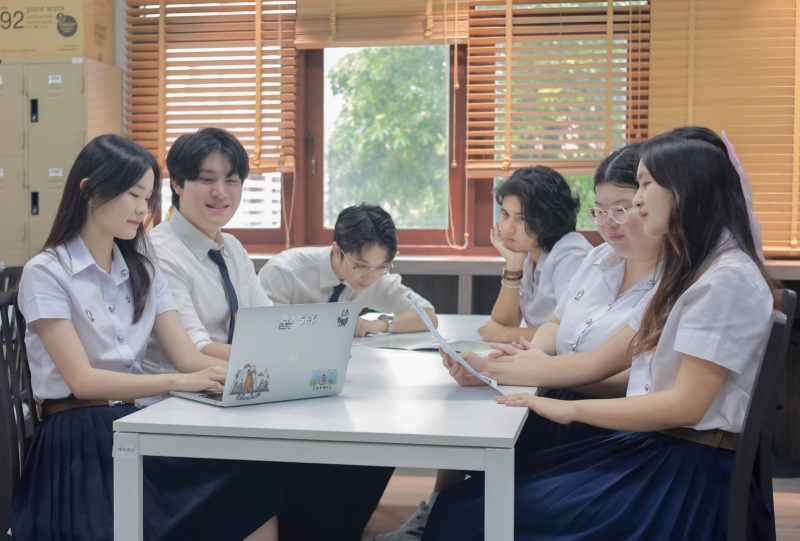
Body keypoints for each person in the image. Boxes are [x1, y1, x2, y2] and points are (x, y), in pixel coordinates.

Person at [424, 133, 777, 539]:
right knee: (467, 502)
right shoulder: (691, 270)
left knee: (465, 513)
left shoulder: (724, 278)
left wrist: (571, 410)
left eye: (645, 185)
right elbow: (597, 361)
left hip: (685, 470)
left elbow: (686, 406)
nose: (638, 202)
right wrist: (489, 369)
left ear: (686, 188)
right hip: (656, 447)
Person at [376, 145, 657, 541]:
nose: (609, 223)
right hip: (565, 392)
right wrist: (518, 359)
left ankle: (440, 512)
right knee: (471, 417)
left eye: (623, 208)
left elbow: (619, 373)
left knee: (467, 482)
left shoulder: (583, 256)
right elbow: (552, 326)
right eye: (601, 210)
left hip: (598, 416)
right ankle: (437, 510)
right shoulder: (599, 259)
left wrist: (520, 365)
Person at [9, 134, 282, 541]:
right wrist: (178, 381)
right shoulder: (47, 271)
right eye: (133, 194)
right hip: (78, 436)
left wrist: (264, 372)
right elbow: (82, 381)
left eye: (148, 197)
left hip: (134, 422)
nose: (143, 208)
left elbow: (188, 356)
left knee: (254, 483)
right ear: (90, 191)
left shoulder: (144, 269)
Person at [144, 127, 392, 541]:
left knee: (367, 454)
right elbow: (194, 349)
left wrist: (312, 347)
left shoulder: (231, 248)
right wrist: (288, 356)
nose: (220, 192)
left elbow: (267, 323)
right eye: (207, 179)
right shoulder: (159, 251)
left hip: (235, 394)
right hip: (180, 406)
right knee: (313, 468)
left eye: (231, 180)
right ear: (178, 184)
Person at [258, 203, 438, 337]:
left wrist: (380, 324)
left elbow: (428, 316)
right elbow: (263, 330)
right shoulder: (284, 272)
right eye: (361, 266)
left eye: (381, 267)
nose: (370, 277)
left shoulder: (376, 276)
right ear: (337, 250)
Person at [478, 165, 591, 343]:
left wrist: (503, 334)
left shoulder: (571, 253)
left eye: (521, 219)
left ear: (548, 218)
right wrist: (513, 265)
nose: (508, 229)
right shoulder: (529, 253)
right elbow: (503, 323)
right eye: (505, 214)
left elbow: (569, 331)